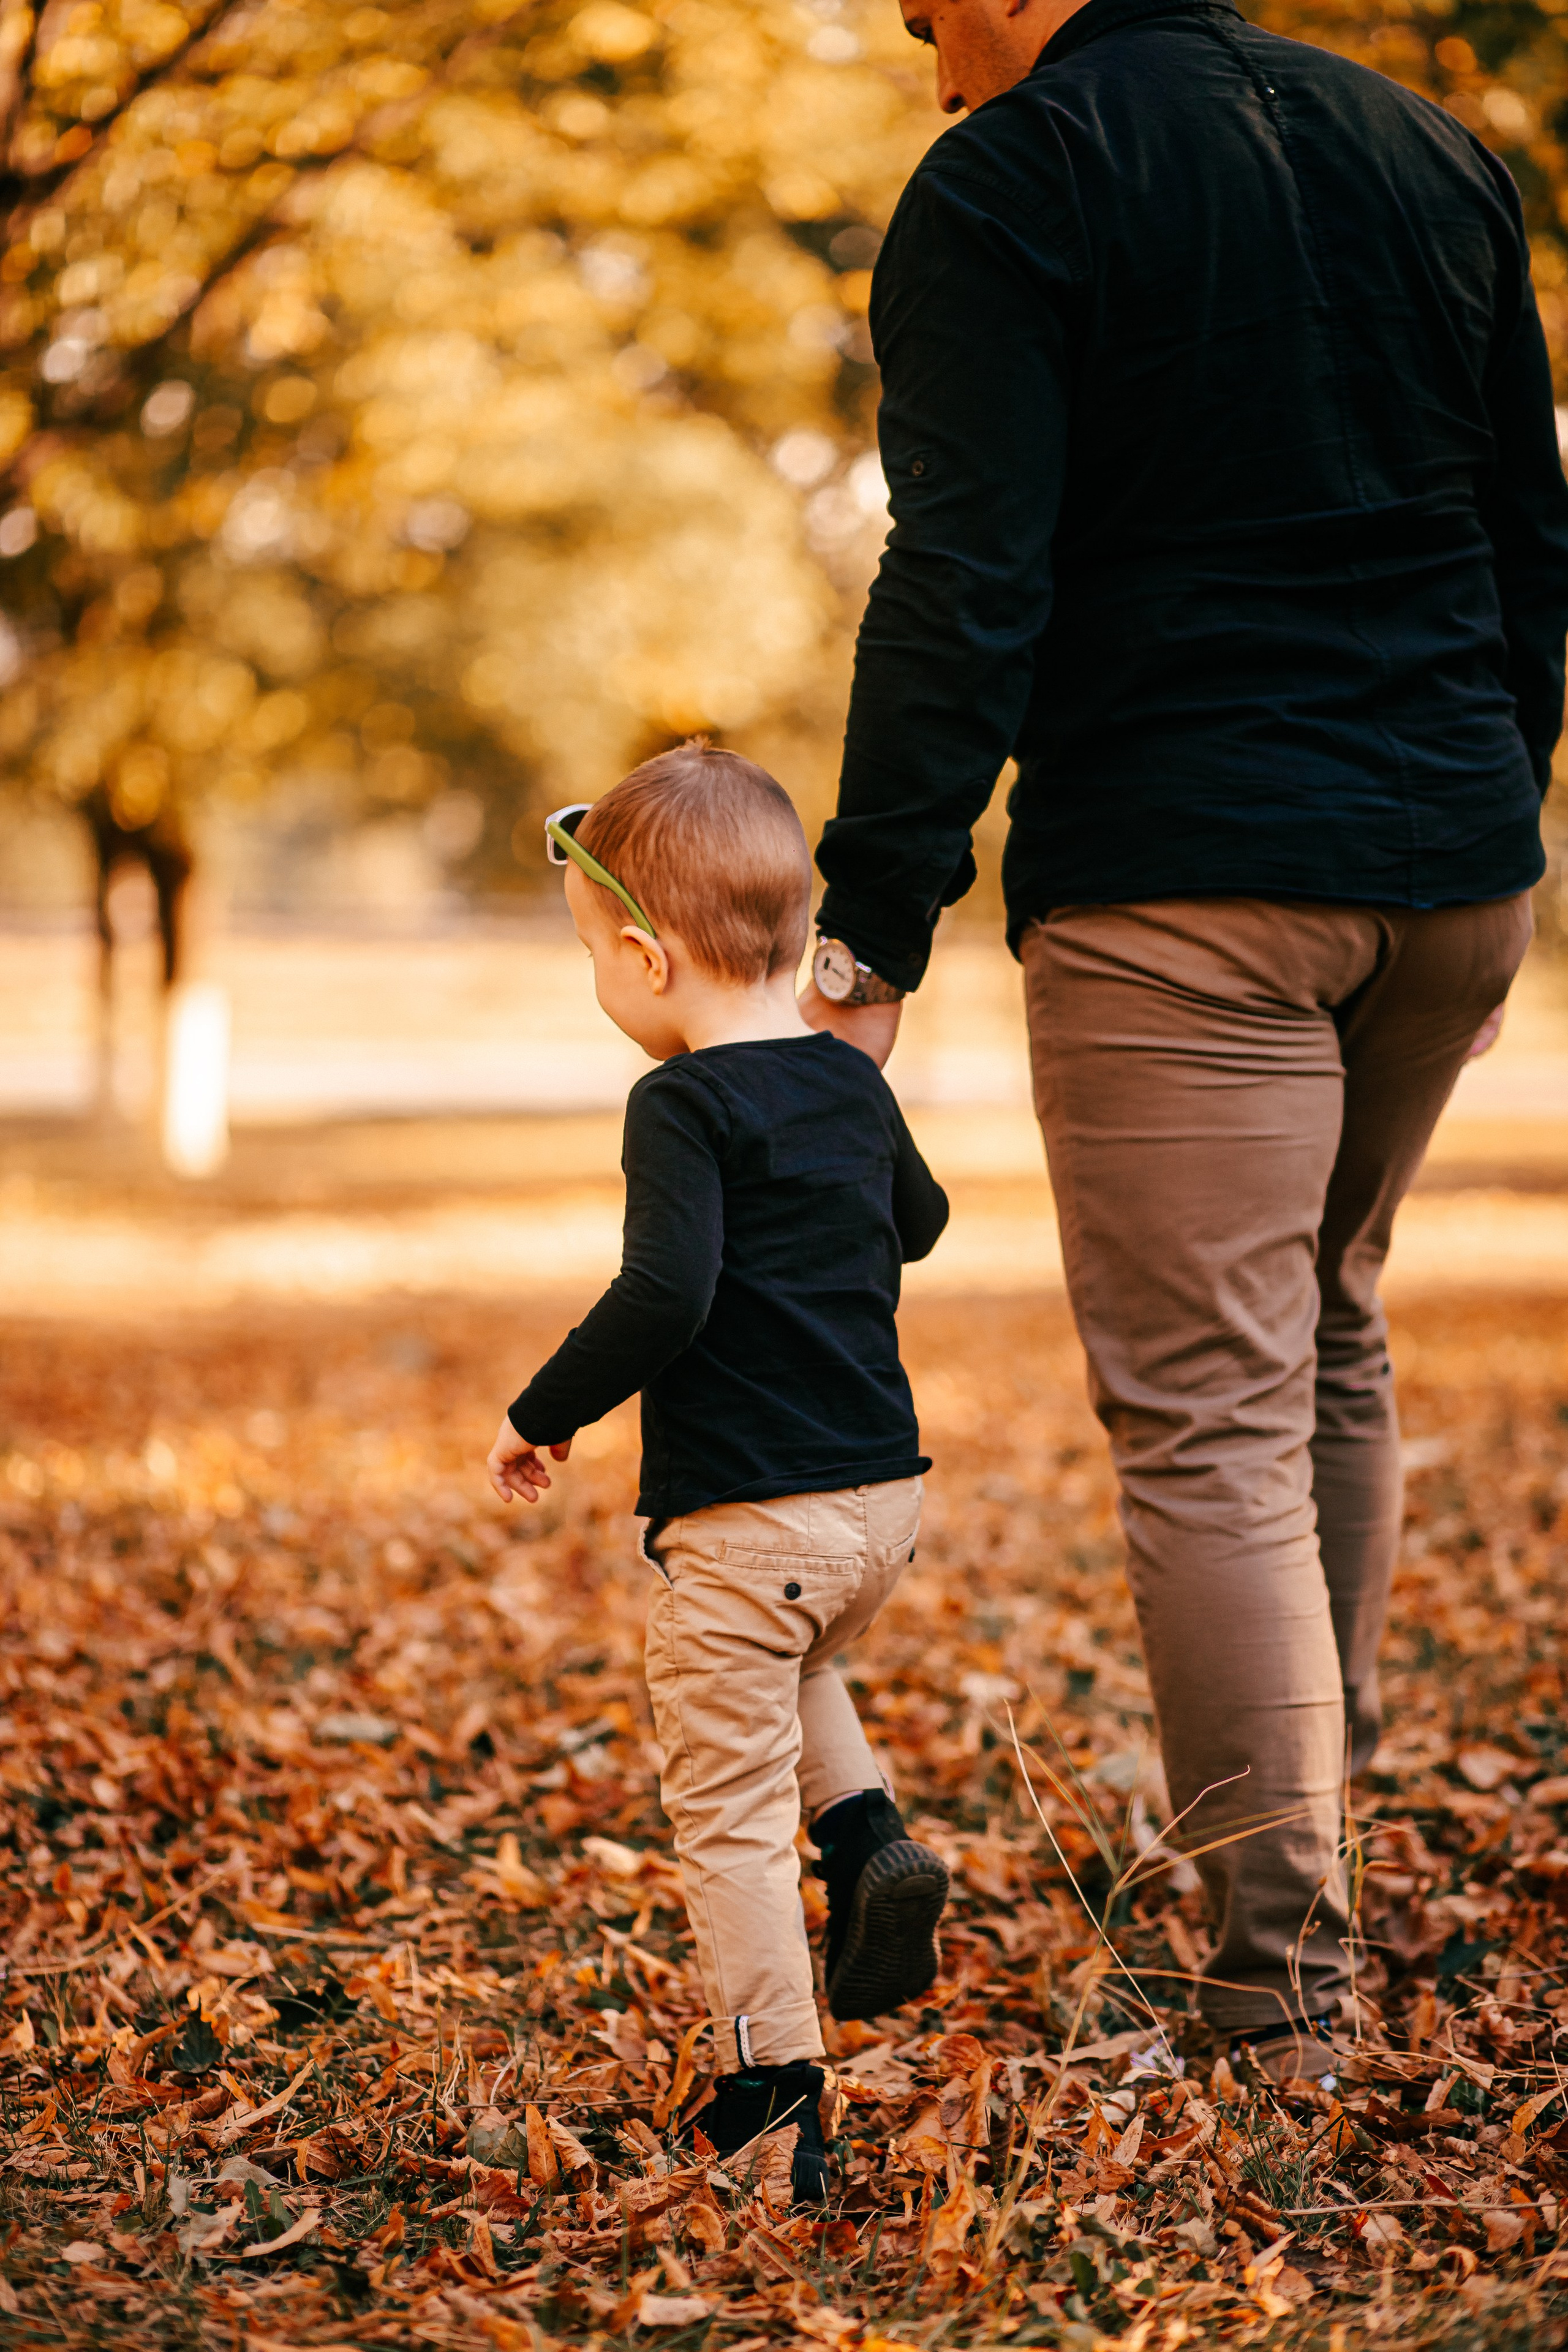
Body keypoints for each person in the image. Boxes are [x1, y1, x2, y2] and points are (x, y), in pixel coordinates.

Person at [801, 0, 1568, 2079]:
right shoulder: (1432, 152)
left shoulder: (1014, 179)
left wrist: (871, 927)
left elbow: (969, 571)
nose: (911, 23)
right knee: (1329, 1334)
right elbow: (1531, 535)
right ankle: (1301, 1840)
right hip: (1453, 865)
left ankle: (1278, 1991)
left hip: (1190, 882)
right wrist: (1497, 792)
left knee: (1216, 1417)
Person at [486, 741, 952, 2198]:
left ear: (645, 953)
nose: (601, 990)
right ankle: (870, 1836)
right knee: (795, 1657)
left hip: (752, 1520)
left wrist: (545, 1407)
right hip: (880, 1506)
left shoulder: (680, 1105)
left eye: (592, 962)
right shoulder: (845, 1085)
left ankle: (769, 2106)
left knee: (729, 1815)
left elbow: (663, 1296)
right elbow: (920, 1222)